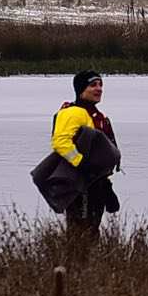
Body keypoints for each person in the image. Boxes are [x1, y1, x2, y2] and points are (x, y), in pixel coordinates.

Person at [51, 70, 122, 236]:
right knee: (79, 233)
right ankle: (73, 261)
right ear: (81, 89)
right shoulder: (72, 112)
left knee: (92, 231)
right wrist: (81, 164)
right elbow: (60, 142)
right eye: (93, 85)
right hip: (79, 184)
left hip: (96, 183)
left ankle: (88, 262)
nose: (99, 89)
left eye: (100, 85)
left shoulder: (96, 116)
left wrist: (106, 187)